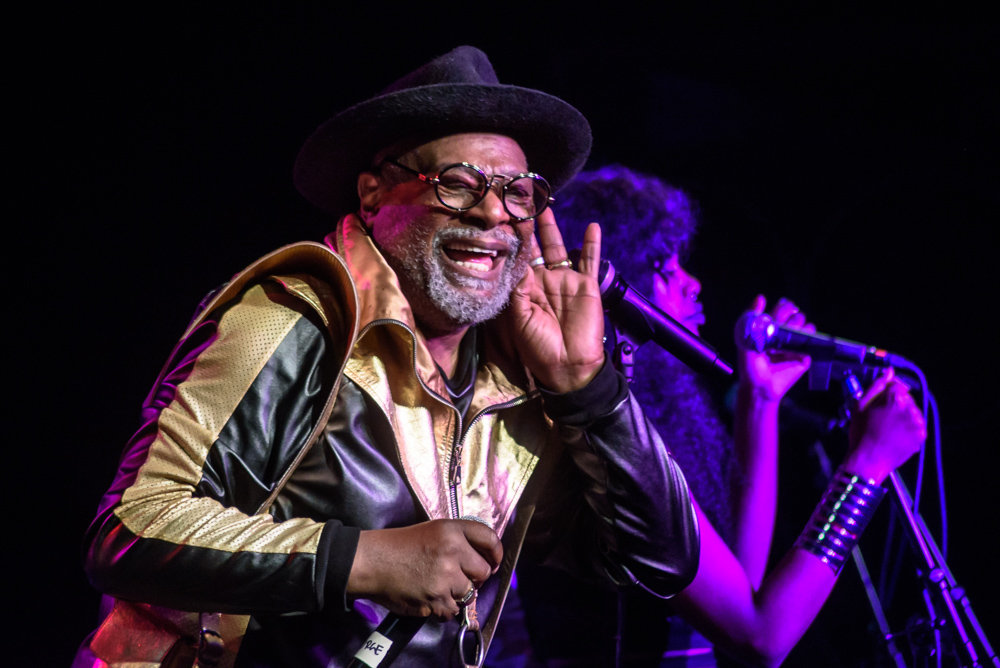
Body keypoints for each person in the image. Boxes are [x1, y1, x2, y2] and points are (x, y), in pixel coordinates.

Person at [74, 50, 700, 668]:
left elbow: (661, 562)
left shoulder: (516, 373)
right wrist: (364, 560)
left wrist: (587, 386)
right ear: (373, 195)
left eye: (517, 193)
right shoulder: (297, 319)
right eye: (457, 183)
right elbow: (131, 532)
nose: (491, 212)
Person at [501, 166, 926, 667]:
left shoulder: (640, 425)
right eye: (662, 265)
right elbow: (761, 637)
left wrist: (760, 401)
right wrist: (867, 468)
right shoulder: (597, 443)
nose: (693, 283)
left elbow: (738, 582)